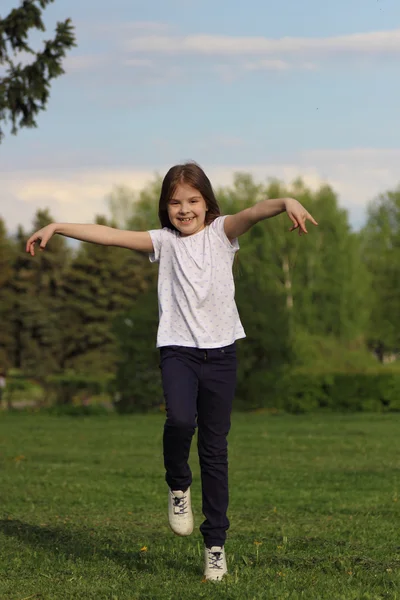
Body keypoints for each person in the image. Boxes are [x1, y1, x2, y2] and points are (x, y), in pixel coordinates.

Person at [26, 162, 317, 581]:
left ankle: (215, 545)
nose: (184, 209)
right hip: (178, 350)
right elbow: (107, 236)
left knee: (215, 451)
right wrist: (57, 226)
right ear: (165, 207)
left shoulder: (222, 234)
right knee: (180, 420)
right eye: (175, 202)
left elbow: (254, 211)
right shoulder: (161, 242)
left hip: (221, 354)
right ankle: (178, 485)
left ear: (206, 203)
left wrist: (286, 201)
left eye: (193, 201)